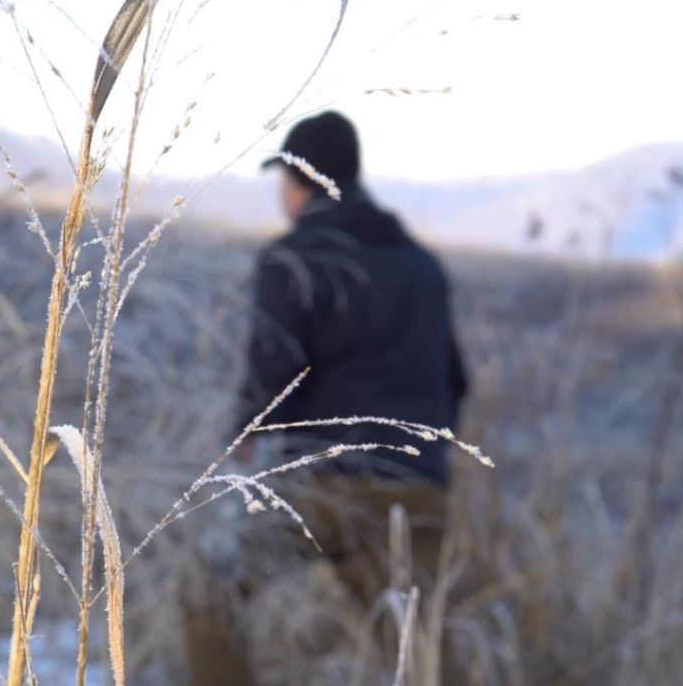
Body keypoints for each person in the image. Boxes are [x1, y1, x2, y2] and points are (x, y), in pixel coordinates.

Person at [183, 110, 470, 685]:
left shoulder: (292, 257)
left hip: (323, 487)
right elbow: (456, 381)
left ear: (300, 182)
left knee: (209, 585)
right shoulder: (422, 266)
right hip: (418, 489)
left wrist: (243, 447)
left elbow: (273, 374)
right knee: (420, 648)